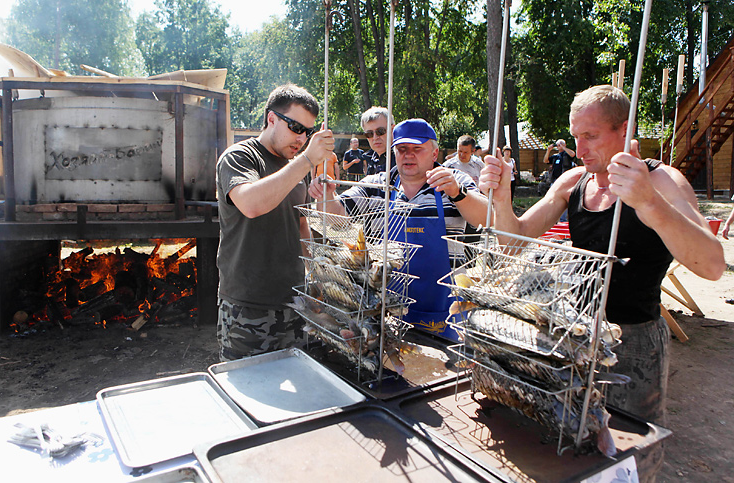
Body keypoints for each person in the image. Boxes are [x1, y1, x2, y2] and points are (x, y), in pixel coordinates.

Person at [479, 84, 725, 482]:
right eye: (576, 136)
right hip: (576, 337)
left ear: (624, 130)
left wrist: (648, 203)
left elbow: (712, 265)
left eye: (591, 136)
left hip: (636, 342)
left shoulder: (661, 182)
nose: (580, 148)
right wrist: (503, 198)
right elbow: (512, 242)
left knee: (632, 457)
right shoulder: (574, 181)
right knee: (576, 444)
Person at [309, 118, 487, 341]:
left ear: (434, 154)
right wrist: (325, 195)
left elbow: (485, 217)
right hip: (384, 315)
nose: (408, 155)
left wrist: (457, 192)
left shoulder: (454, 181)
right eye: (402, 149)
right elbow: (337, 220)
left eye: (417, 149)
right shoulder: (377, 185)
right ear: (394, 153)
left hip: (445, 314)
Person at [216, 83, 335, 361]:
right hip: (248, 304)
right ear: (271, 118)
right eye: (295, 127)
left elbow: (300, 225)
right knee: (246, 391)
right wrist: (306, 160)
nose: (302, 138)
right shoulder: (240, 157)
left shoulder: (294, 166)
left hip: (294, 300)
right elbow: (252, 204)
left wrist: (314, 276)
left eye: (307, 132)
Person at [361, 106, 396, 175]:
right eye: (369, 134)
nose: (375, 137)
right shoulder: (370, 159)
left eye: (380, 131)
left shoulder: (404, 159)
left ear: (392, 129)